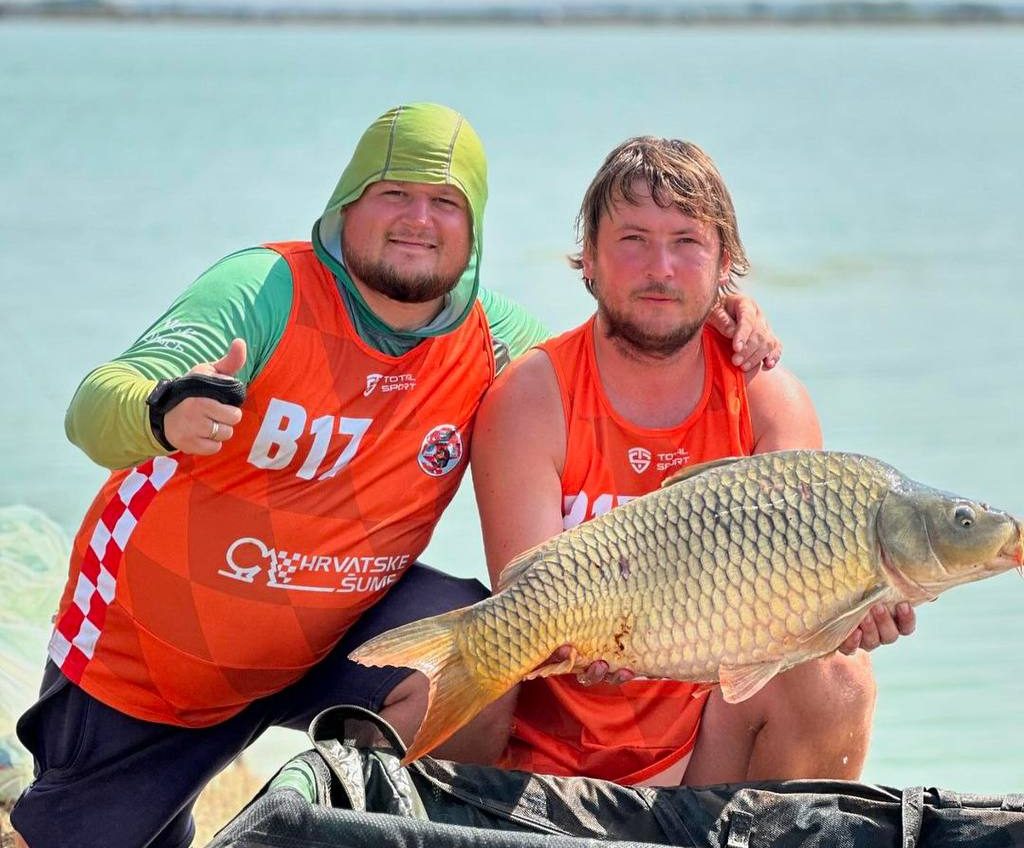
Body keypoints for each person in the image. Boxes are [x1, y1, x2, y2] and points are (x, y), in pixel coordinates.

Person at [10, 105, 778, 848]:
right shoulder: (264, 289)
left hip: (342, 638)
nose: (419, 218)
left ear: (474, 228)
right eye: (393, 194)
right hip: (153, 664)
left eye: (445, 202)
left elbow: (615, 357)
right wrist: (161, 409)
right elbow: (92, 408)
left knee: (483, 642)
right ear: (346, 205)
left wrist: (710, 305)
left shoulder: (496, 341)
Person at [471, 136, 916, 787]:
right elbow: (528, 604)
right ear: (589, 259)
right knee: (479, 646)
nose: (662, 267)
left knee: (839, 676)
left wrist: (845, 612)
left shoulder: (767, 400)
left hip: (705, 746)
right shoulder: (533, 396)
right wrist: (588, 641)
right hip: (553, 759)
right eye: (632, 241)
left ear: (723, 262)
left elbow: (788, 606)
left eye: (687, 242)